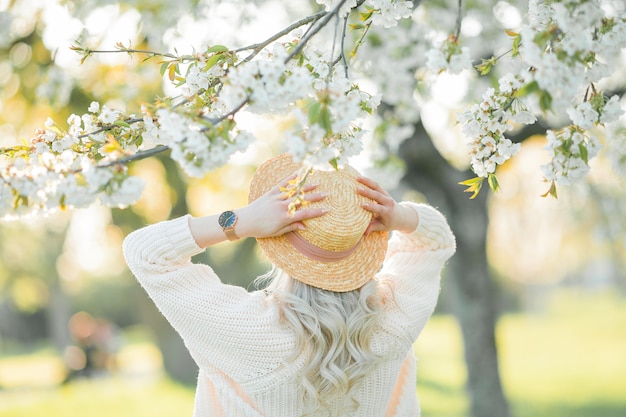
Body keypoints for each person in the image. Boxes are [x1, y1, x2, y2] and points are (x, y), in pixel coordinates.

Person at [123, 153, 456, 417]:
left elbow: (145, 252)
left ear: (279, 245)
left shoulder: (247, 329)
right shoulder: (395, 319)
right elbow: (435, 242)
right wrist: (400, 216)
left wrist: (241, 221)